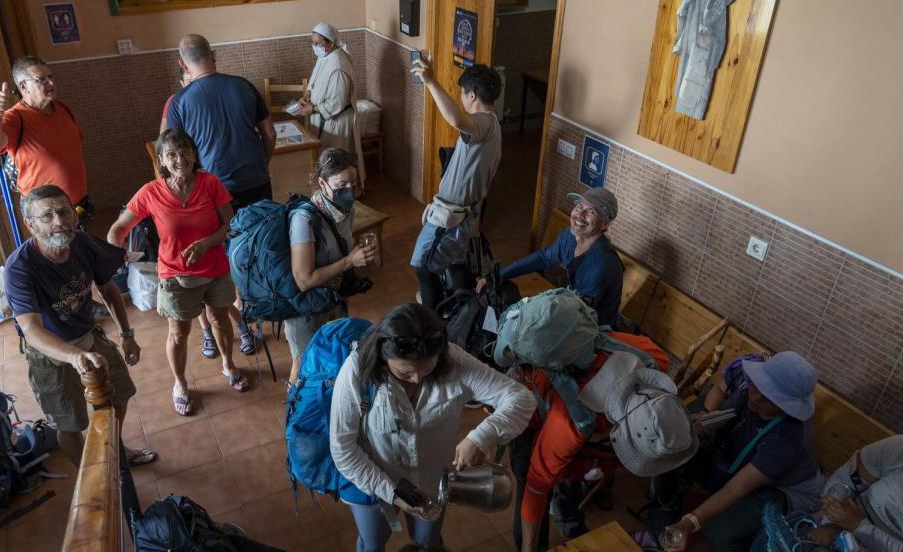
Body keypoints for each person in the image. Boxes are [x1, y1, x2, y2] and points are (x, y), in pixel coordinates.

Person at [330, 304, 536, 552]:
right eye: (405, 373)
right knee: (372, 544)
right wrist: (390, 491)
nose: (418, 378)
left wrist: (483, 435)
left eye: (427, 368)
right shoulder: (356, 371)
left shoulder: (454, 361)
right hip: (371, 477)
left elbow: (521, 400)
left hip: (431, 480)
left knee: (428, 544)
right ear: (384, 358)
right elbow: (342, 448)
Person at [3, 185, 156, 468]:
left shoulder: (83, 244)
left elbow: (108, 289)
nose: (58, 221)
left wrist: (127, 334)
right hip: (51, 353)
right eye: (46, 216)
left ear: (74, 215)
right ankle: (92, 476)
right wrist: (73, 357)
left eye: (63, 211)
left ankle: (116, 451)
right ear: (30, 225)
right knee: (70, 424)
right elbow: (31, 330)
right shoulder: (19, 268)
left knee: (119, 395)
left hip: (89, 336)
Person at [501, 300, 673, 552]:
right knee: (531, 477)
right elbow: (535, 489)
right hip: (527, 417)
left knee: (573, 473)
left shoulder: (652, 360)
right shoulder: (569, 424)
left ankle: (569, 516)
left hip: (583, 437)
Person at [108, 129, 250, 417]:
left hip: (215, 269)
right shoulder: (151, 193)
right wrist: (116, 253)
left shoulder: (211, 184)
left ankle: (228, 364)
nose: (179, 159)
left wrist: (207, 243)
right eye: (171, 154)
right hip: (176, 275)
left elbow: (231, 225)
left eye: (184, 152)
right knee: (178, 332)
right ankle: (181, 384)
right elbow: (118, 229)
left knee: (221, 319)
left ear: (194, 154)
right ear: (162, 160)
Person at [167, 33, 277, 360]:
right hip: (256, 182)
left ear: (182, 63)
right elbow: (269, 133)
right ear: (214, 54)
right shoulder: (243, 86)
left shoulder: (180, 102)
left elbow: (172, 152)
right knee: (261, 245)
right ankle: (263, 306)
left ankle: (230, 321)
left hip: (213, 192)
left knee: (222, 256)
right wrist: (262, 164)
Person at [653, 352, 824, 552]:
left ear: (786, 406)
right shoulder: (749, 386)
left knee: (722, 533)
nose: (757, 397)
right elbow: (723, 391)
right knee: (674, 450)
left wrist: (689, 524)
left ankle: (749, 541)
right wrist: (707, 418)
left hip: (785, 489)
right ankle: (664, 514)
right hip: (744, 460)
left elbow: (735, 489)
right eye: (757, 387)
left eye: (769, 397)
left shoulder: (788, 440)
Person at [409, 58, 502, 311]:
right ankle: (463, 314)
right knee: (456, 263)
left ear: (472, 95)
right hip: (464, 214)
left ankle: (433, 326)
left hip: (452, 217)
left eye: (462, 94)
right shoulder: (493, 125)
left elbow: (459, 121)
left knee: (423, 267)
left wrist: (430, 82)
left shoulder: (484, 123)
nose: (461, 99)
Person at [285, 148, 377, 384]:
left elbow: (341, 246)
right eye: (342, 184)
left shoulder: (345, 209)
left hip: (333, 297)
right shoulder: (304, 220)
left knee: (333, 354)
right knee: (305, 364)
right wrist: (349, 261)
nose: (349, 191)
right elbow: (304, 280)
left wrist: (358, 256)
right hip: (305, 308)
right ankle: (296, 412)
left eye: (354, 183)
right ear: (322, 183)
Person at [479, 187, 624, 327]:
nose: (580, 215)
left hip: (593, 330)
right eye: (579, 207)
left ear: (604, 223)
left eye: (590, 211)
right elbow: (543, 258)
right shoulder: (570, 237)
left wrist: (530, 312)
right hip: (572, 310)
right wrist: (499, 275)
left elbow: (580, 313)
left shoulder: (601, 264)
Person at [0, 56, 90, 218]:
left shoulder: (63, 109)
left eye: (51, 77)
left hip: (79, 206)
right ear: (24, 86)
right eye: (42, 79)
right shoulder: (16, 117)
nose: (51, 83)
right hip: (47, 215)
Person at [293, 23, 365, 186]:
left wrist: (313, 108)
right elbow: (315, 82)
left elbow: (336, 103)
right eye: (312, 42)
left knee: (336, 163)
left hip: (337, 121)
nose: (315, 47)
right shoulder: (325, 56)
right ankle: (326, 189)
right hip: (323, 119)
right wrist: (307, 96)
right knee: (325, 160)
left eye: (318, 43)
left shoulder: (338, 66)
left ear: (331, 43)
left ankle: (340, 192)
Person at [807, 434, 903, 551]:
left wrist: (858, 526)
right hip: (841, 522)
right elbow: (845, 479)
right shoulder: (898, 448)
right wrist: (831, 521)